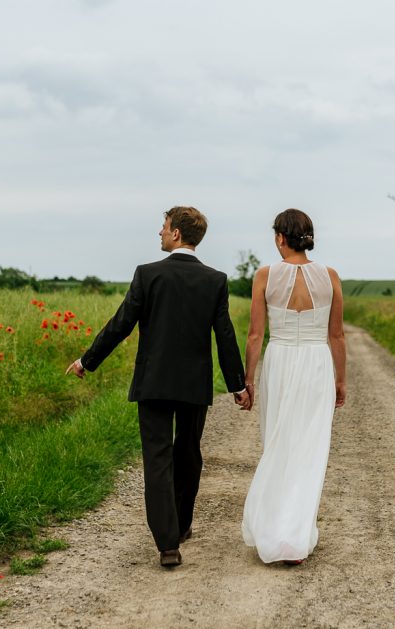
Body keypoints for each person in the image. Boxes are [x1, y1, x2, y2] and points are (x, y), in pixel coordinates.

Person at [66, 206, 251, 568]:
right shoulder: (215, 280)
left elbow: (121, 324)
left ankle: (168, 544)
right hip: (194, 385)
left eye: (164, 228)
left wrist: (87, 360)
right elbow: (225, 336)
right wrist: (236, 385)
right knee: (188, 454)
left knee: (157, 458)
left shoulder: (148, 275)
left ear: (177, 233)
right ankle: (181, 526)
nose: (160, 233)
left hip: (153, 383)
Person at [240, 208, 347, 565]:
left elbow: (256, 335)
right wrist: (340, 379)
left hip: (281, 361)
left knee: (278, 443)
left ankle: (277, 529)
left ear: (280, 238)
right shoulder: (330, 276)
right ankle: (296, 533)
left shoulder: (265, 276)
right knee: (309, 450)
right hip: (317, 362)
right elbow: (337, 335)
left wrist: (248, 379)